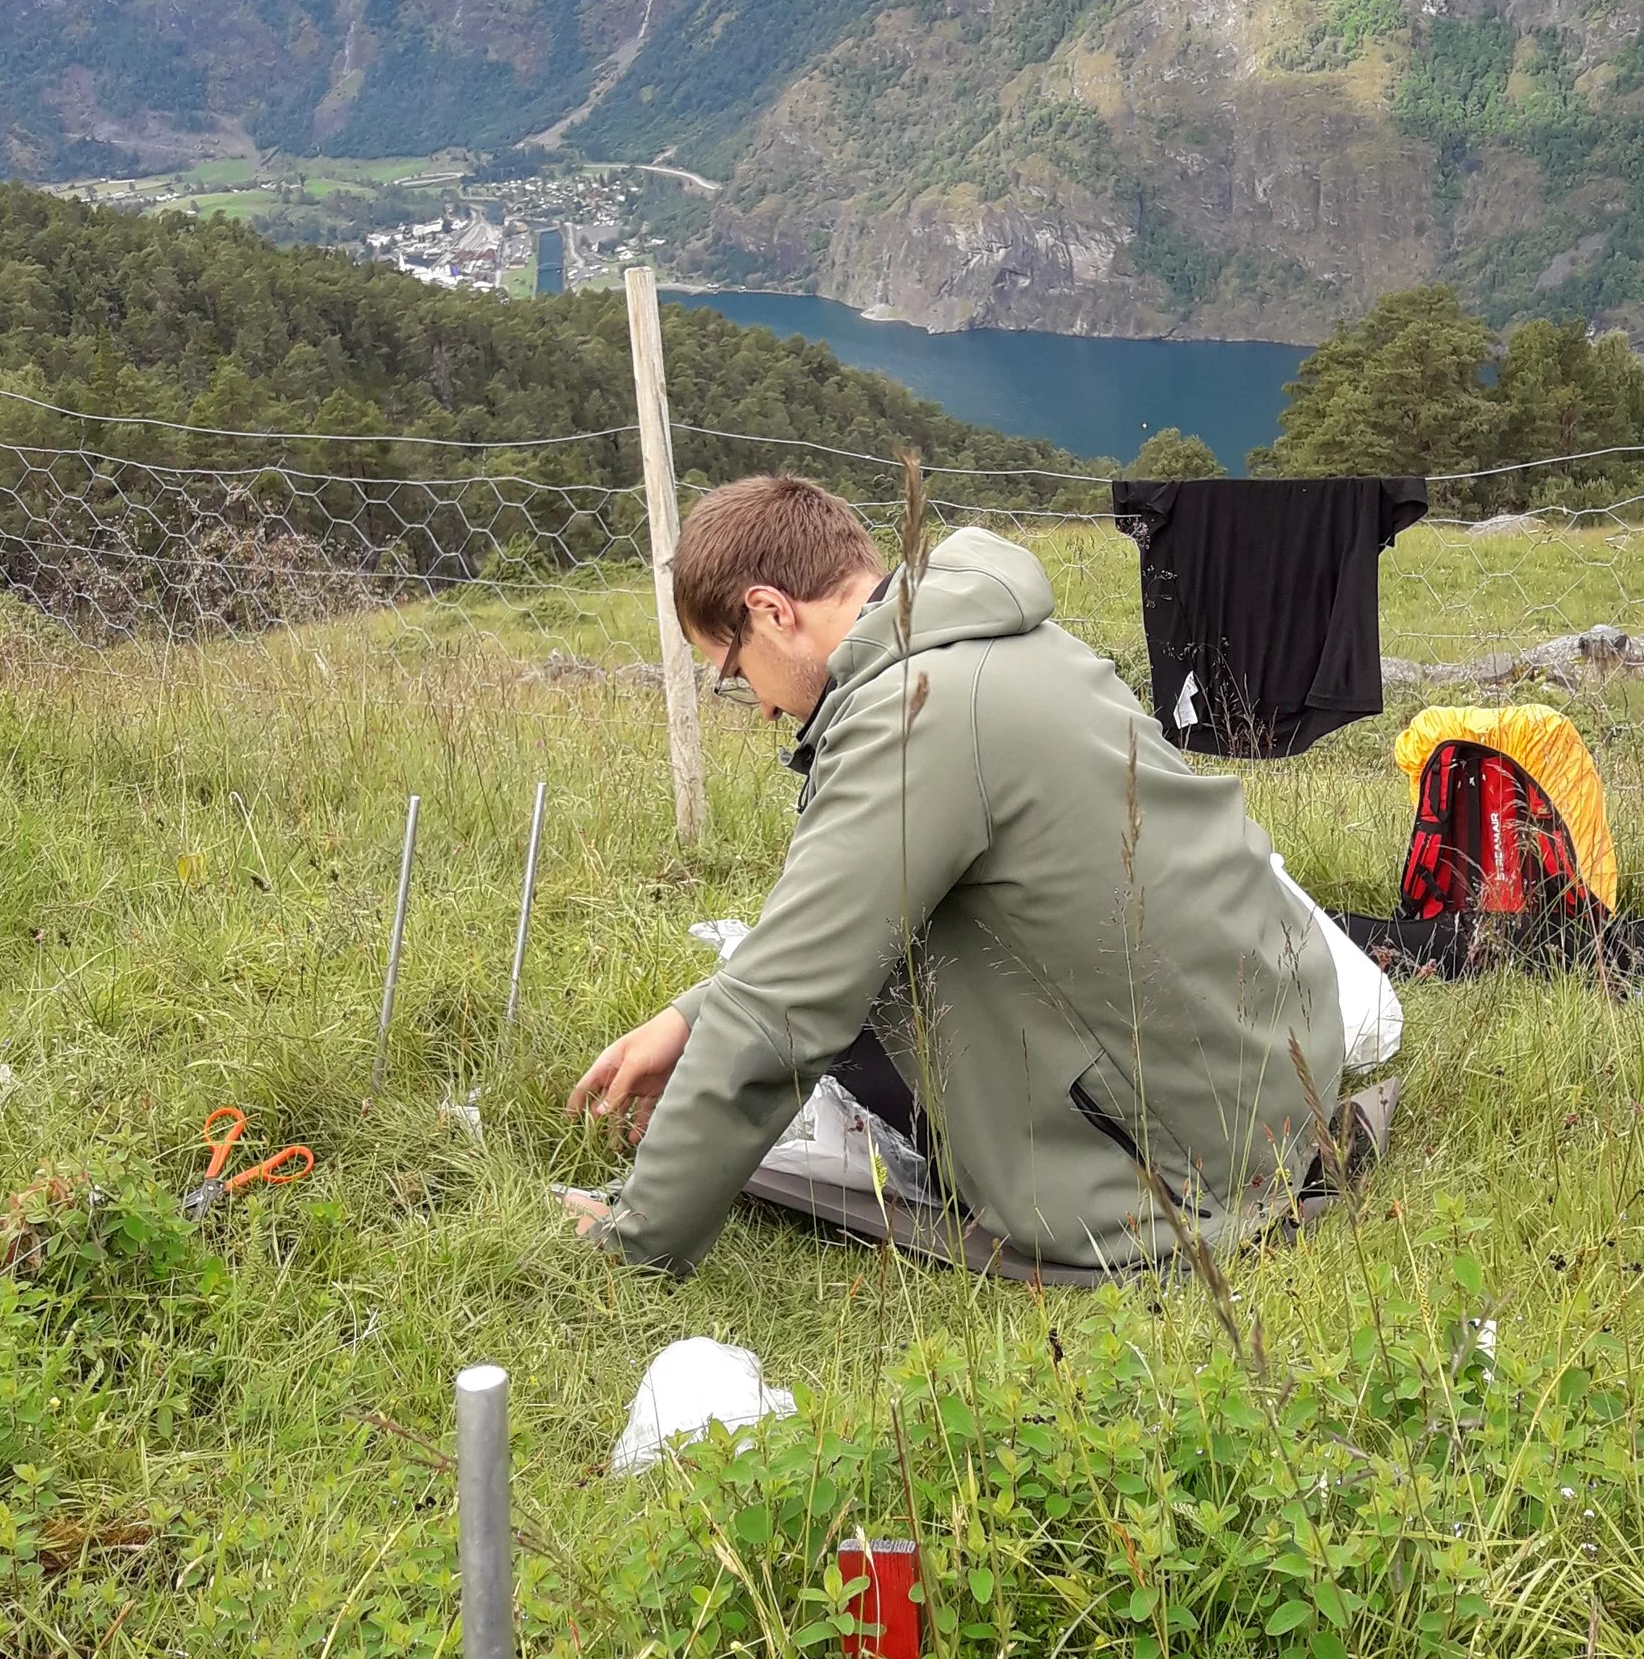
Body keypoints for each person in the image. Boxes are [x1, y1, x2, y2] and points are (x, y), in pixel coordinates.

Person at [564, 474, 1345, 1280]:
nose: (756, 705)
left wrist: (631, 1240)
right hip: (1279, 1069)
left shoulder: (917, 712)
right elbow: (836, 929)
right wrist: (693, 1020)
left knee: (855, 1012)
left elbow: (785, 1008)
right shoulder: (989, 637)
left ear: (770, 610)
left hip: (1200, 1163)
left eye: (731, 670)